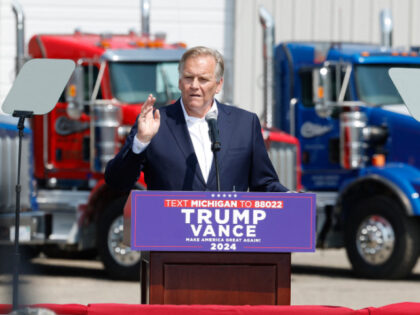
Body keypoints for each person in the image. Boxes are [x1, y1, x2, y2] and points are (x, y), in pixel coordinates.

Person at [105, 46, 288, 192]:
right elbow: (117, 183)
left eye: (203, 79)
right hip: (170, 234)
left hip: (226, 235)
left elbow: (263, 183)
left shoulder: (245, 124)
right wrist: (140, 142)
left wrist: (290, 198)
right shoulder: (154, 122)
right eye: (188, 78)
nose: (194, 86)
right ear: (179, 82)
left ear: (218, 84)